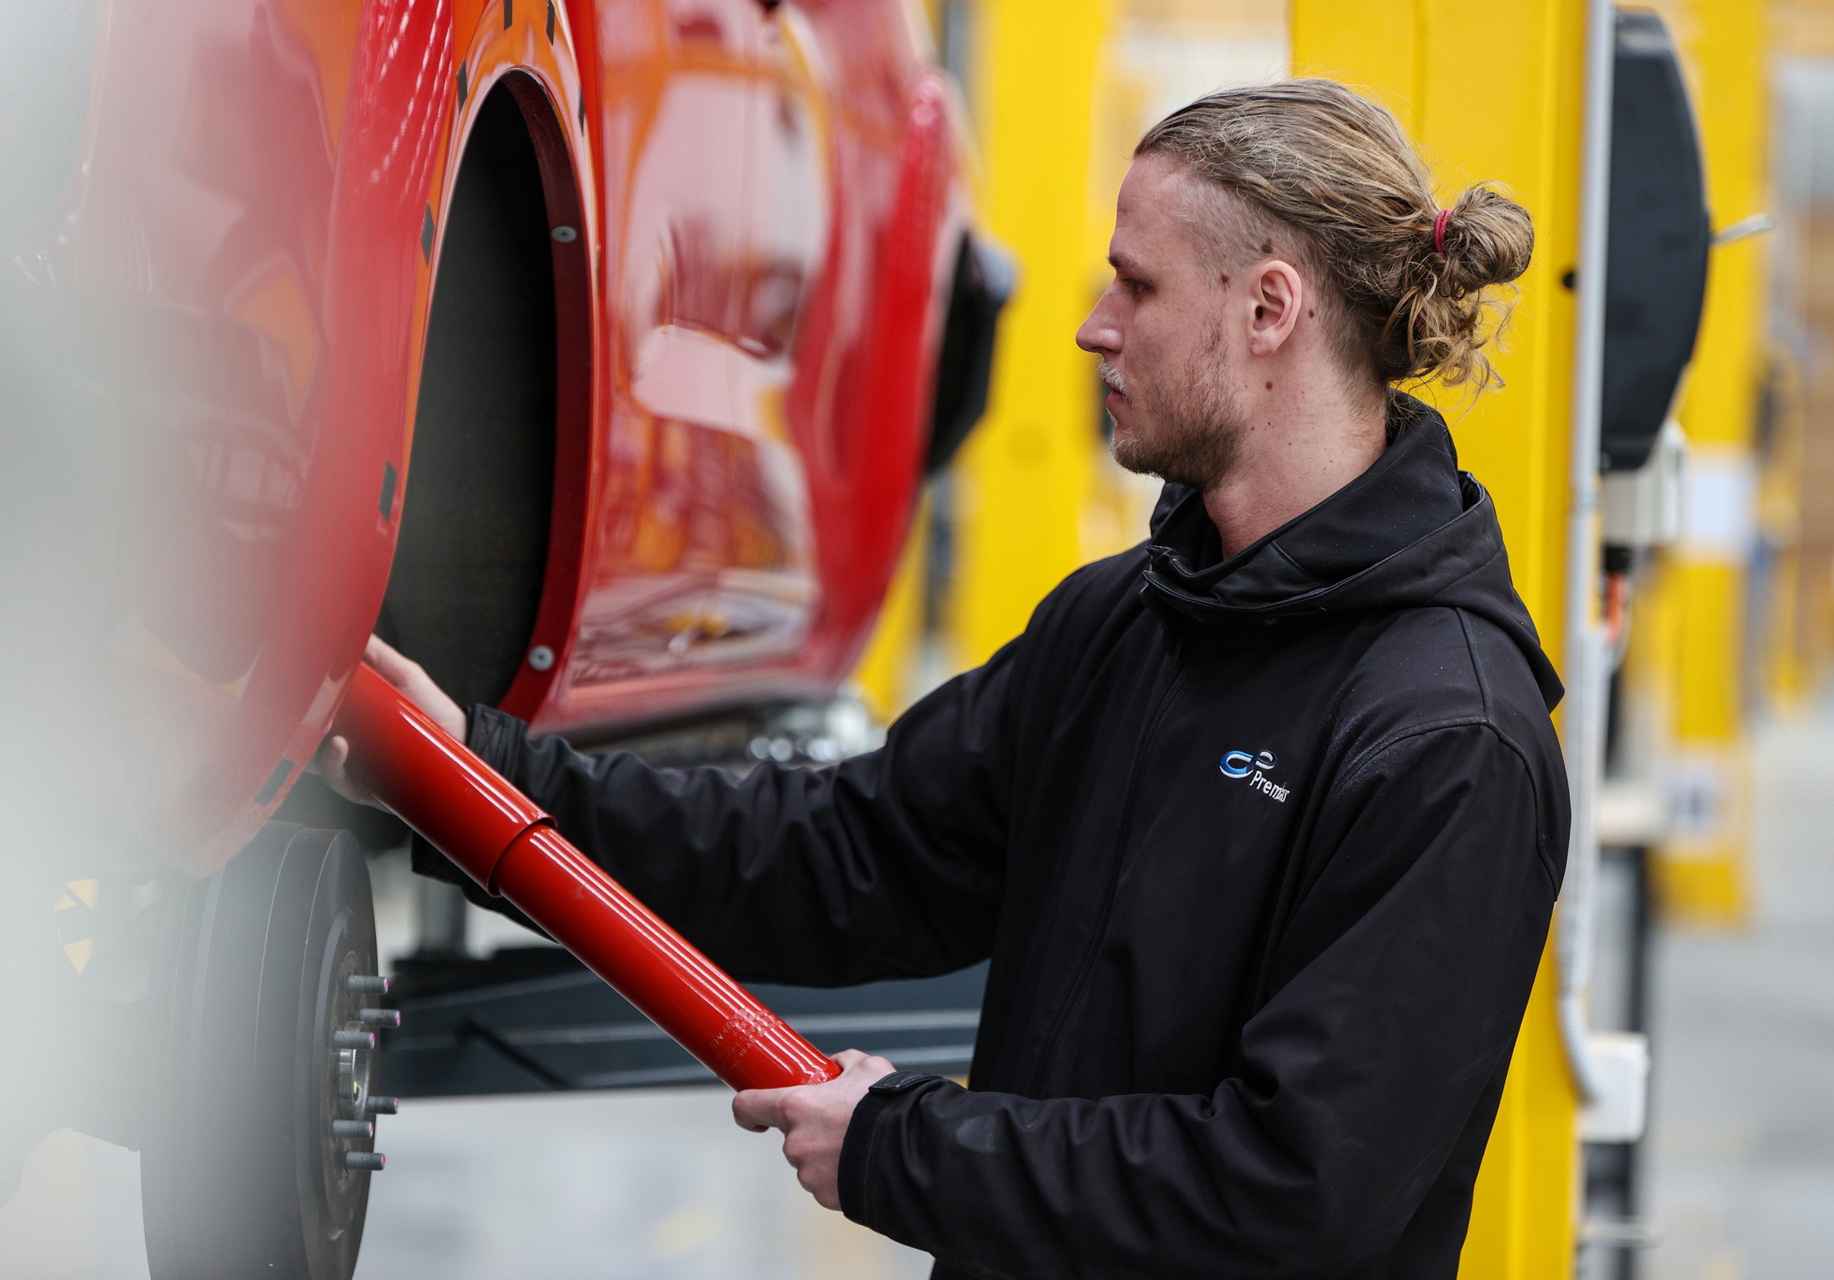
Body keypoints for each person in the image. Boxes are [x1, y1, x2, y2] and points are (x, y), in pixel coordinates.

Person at [322, 79, 1570, 1280]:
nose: (1092, 321)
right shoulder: (1129, 623)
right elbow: (842, 852)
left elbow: (1293, 1188)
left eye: (1136, 283)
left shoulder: (1447, 738)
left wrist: (905, 1146)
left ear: (1270, 309)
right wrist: (477, 771)